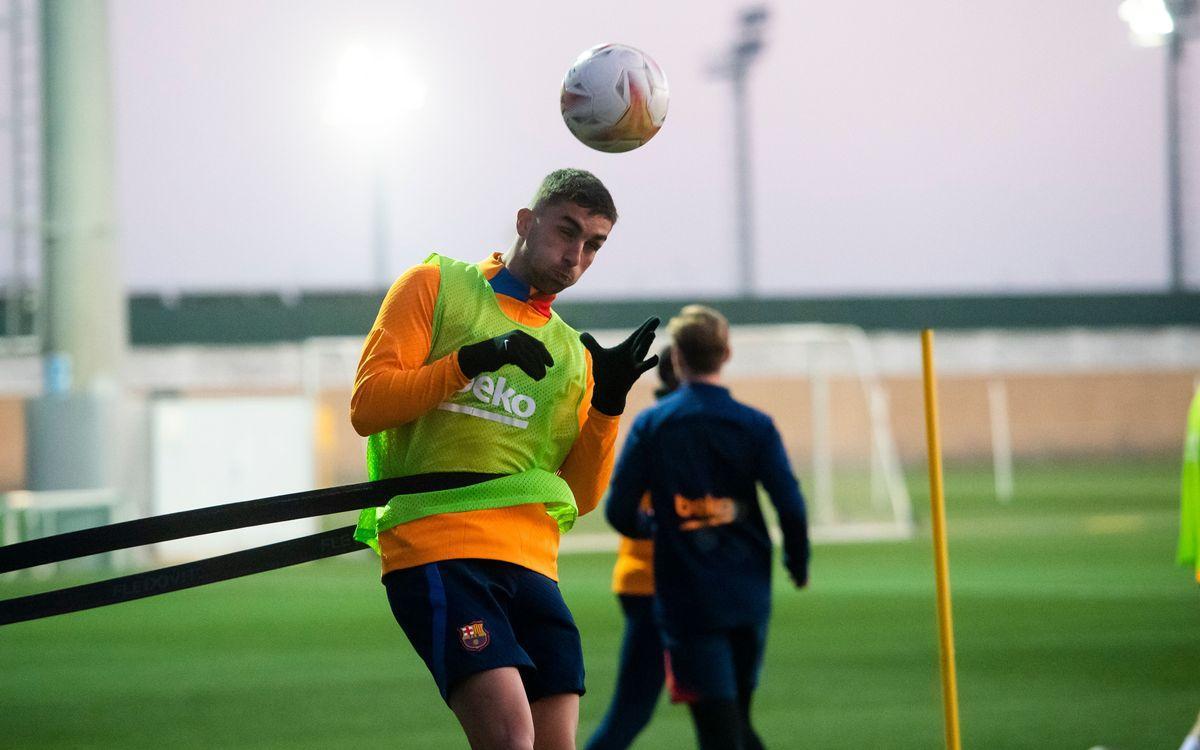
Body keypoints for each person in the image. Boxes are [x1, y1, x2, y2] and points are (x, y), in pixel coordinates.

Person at [350, 168, 659, 750]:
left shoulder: (572, 351)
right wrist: (473, 359)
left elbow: (581, 495)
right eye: (566, 231)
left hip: (533, 563)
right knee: (512, 741)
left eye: (593, 244)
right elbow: (368, 406)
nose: (576, 255)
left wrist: (608, 408)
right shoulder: (435, 285)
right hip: (440, 549)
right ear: (525, 222)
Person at [605, 304, 810, 750]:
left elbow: (618, 510)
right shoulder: (756, 425)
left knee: (721, 729)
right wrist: (798, 562)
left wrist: (658, 529)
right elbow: (790, 506)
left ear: (675, 357)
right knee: (734, 721)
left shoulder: (653, 426)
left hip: (687, 597)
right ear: (727, 353)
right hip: (748, 595)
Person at [585, 347, 678, 750]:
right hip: (666, 586)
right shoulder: (678, 430)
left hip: (641, 581)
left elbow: (623, 506)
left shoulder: (650, 427)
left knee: (634, 710)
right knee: (723, 710)